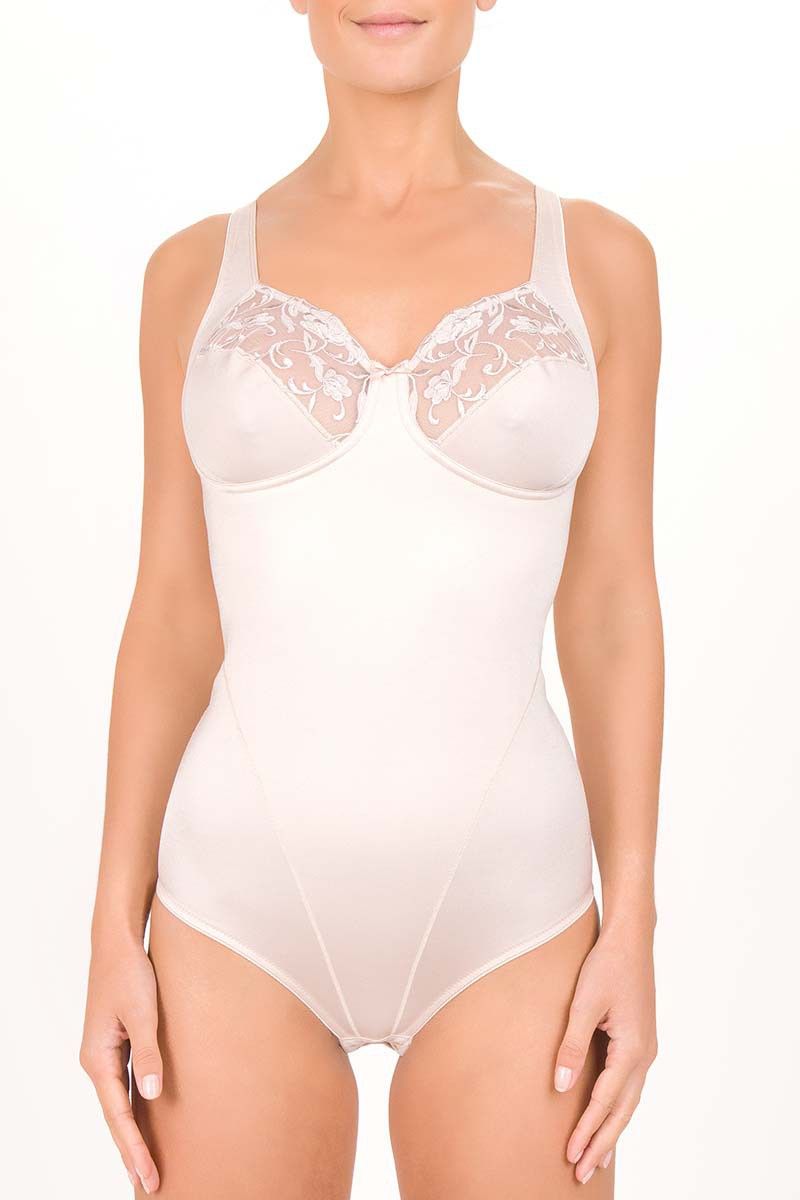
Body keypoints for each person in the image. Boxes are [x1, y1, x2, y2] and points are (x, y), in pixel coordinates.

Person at [80, 3, 663, 1196]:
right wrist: (107, 927)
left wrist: (635, 920)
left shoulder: (599, 263)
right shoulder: (190, 277)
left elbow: (609, 607)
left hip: (514, 912)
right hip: (232, 910)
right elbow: (172, 615)